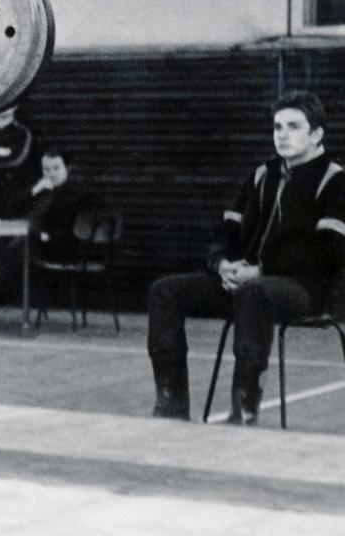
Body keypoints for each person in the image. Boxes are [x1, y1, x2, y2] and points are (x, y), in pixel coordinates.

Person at [147, 91, 345, 424]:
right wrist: (222, 264)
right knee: (164, 291)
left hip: (303, 290)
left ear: (316, 135)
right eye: (277, 127)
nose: (282, 134)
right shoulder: (262, 175)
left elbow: (328, 252)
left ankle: (244, 410)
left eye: (294, 126)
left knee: (254, 294)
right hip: (246, 284)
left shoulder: (336, 180)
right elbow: (224, 232)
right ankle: (171, 406)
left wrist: (261, 271)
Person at [27, 149, 93, 263]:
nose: (51, 174)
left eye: (56, 168)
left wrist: (40, 233)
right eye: (47, 169)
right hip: (40, 243)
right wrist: (34, 190)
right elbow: (15, 208)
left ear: (67, 169)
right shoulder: (42, 189)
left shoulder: (74, 192)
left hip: (61, 248)